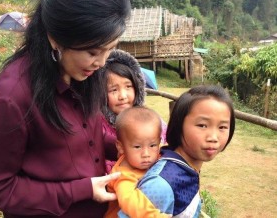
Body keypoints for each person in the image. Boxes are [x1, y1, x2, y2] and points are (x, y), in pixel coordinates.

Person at [0, 0, 131, 217]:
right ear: (55, 37)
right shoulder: (13, 97)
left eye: (109, 49)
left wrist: (133, 146)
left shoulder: (83, 73)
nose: (102, 63)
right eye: (93, 52)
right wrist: (80, 190)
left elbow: (87, 134)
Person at [119, 85, 236, 217]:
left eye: (222, 127)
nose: (213, 138)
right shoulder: (162, 184)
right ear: (179, 126)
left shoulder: (185, 167)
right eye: (202, 125)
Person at [100, 49, 167, 173]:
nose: (123, 96)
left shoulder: (150, 120)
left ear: (137, 88)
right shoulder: (98, 126)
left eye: (128, 87)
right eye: (114, 90)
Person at [103, 106, 171, 218]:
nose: (146, 154)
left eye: (153, 145)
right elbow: (131, 203)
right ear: (120, 147)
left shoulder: (155, 155)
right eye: (137, 147)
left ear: (159, 142)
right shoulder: (122, 176)